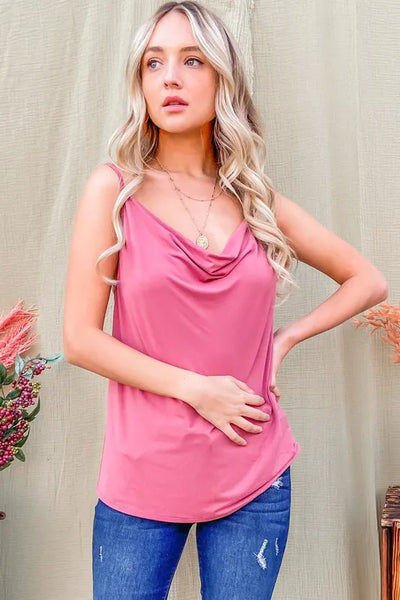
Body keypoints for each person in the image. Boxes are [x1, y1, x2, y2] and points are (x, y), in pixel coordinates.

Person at [62, 2, 388, 599]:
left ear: (224, 79)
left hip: (254, 473)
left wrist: (284, 339)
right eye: (154, 63)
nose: (170, 77)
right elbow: (80, 339)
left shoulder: (255, 200)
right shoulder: (114, 190)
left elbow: (368, 280)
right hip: (143, 477)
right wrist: (196, 389)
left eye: (192, 61)